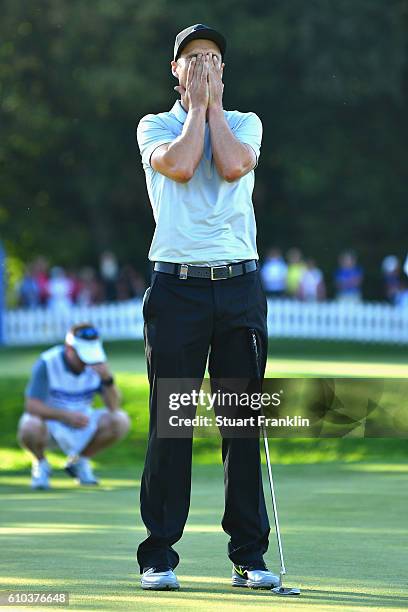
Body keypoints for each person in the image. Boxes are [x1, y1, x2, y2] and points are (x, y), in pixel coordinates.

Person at [136, 23, 278, 591]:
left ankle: (249, 556)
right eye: (192, 59)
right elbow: (182, 165)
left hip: (238, 287)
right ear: (175, 70)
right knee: (173, 423)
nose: (202, 67)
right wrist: (197, 107)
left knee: (240, 423)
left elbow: (233, 165)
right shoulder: (156, 125)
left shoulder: (245, 123)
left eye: (212, 59)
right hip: (177, 289)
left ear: (225, 70)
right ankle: (159, 555)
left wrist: (213, 105)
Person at [17, 323, 130, 490]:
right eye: (82, 355)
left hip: (83, 422)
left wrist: (107, 379)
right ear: (69, 349)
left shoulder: (97, 364)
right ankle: (40, 464)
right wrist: (65, 416)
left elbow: (114, 406)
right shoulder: (47, 363)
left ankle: (80, 462)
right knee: (29, 425)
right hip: (50, 425)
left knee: (120, 420)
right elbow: (32, 406)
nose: (87, 362)